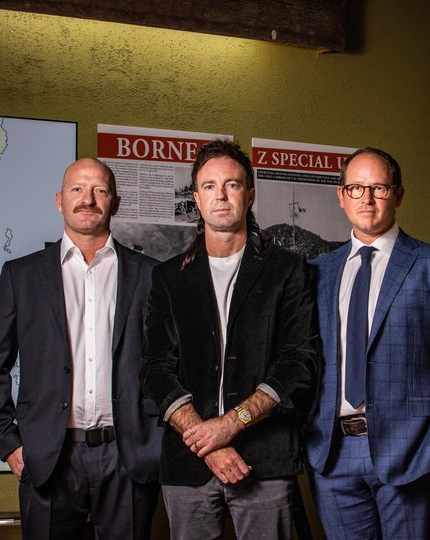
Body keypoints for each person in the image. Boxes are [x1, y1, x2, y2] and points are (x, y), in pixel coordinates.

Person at [140, 140, 318, 540]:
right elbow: (155, 368)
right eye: (208, 186)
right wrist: (209, 441)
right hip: (188, 463)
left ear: (250, 194)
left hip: (266, 460)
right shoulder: (168, 278)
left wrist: (231, 424)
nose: (220, 195)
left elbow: (298, 364)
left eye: (232, 185)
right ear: (197, 199)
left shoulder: (286, 271)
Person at [0, 158, 161, 539]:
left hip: (128, 457)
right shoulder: (21, 276)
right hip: (48, 457)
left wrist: (158, 441)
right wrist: (8, 443)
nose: (87, 199)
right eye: (77, 189)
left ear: (116, 202)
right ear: (59, 201)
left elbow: (169, 363)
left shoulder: (151, 274)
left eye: (99, 190)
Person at [305, 147, 430, 539]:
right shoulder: (318, 272)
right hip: (332, 455)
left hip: (412, 452)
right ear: (341, 196)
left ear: (398, 195)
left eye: (378, 188)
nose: (366, 199)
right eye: (355, 187)